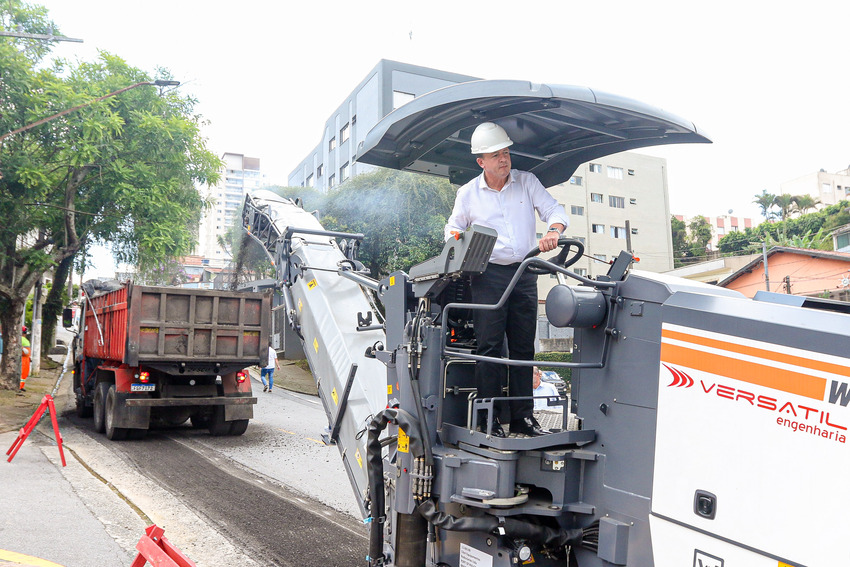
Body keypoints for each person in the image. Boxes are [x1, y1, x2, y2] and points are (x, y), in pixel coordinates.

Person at [445, 122, 569, 437]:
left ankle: (522, 419)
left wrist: (554, 230)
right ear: (481, 162)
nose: (504, 159)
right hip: (488, 275)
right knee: (489, 348)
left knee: (523, 347)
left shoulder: (527, 183)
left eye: (506, 152)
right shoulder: (468, 193)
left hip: (525, 272)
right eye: (496, 155)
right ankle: (489, 419)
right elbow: (453, 230)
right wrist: (459, 239)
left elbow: (555, 210)